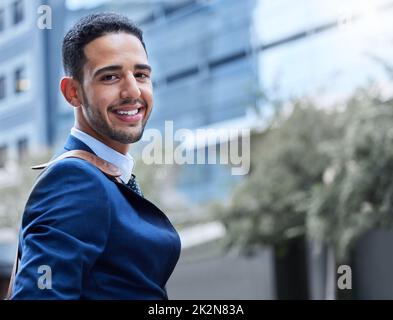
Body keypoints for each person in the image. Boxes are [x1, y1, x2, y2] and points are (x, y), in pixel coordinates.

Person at [10, 12, 181, 300]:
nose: (132, 91)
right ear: (72, 92)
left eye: (141, 75)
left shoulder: (108, 177)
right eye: (110, 77)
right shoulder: (74, 180)